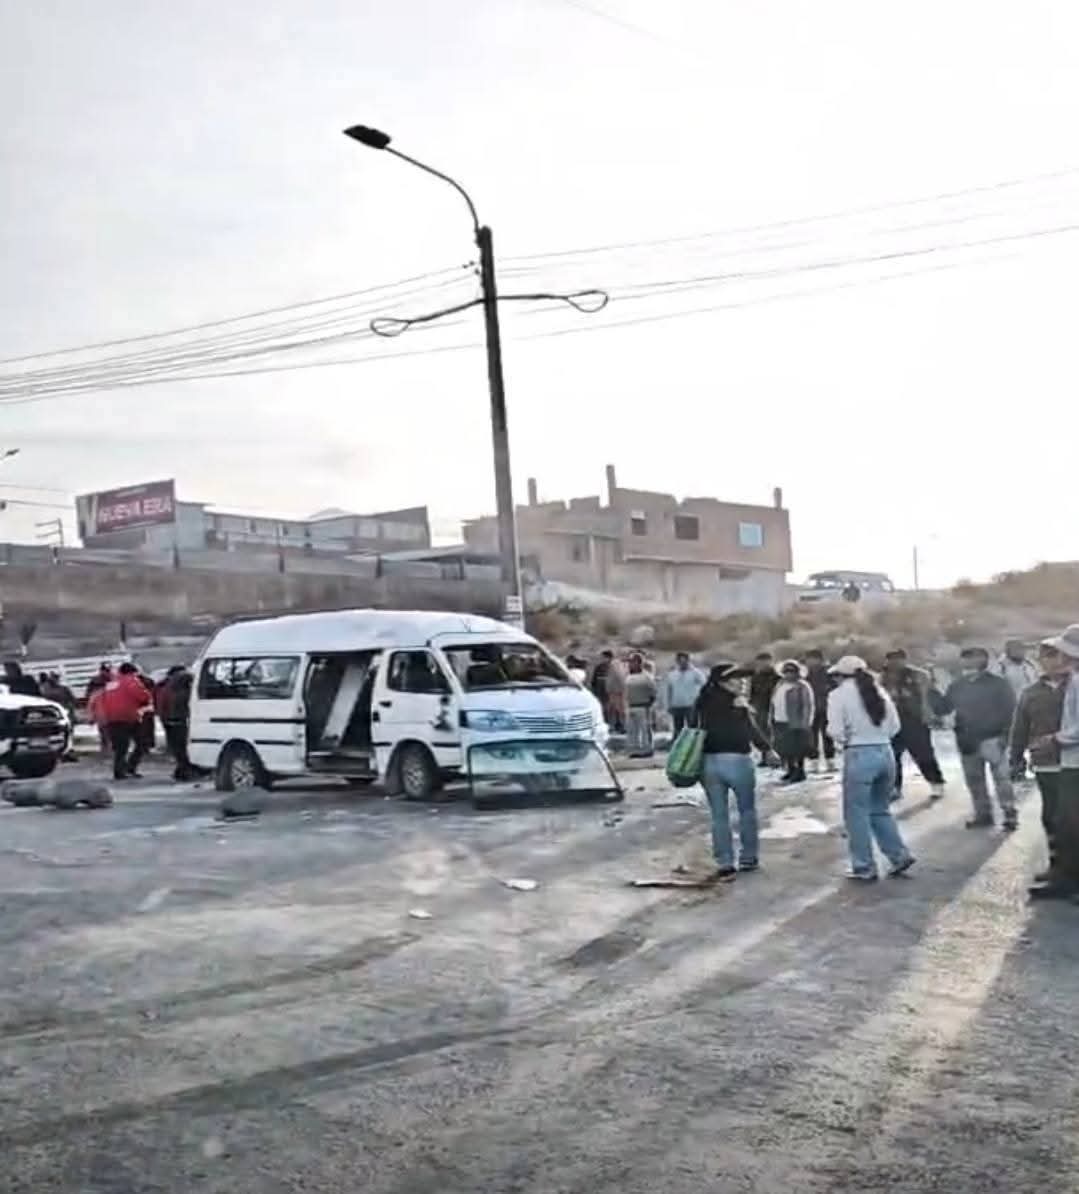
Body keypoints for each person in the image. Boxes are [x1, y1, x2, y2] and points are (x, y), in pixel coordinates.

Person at [827, 655, 914, 881]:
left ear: (840, 675)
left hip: (859, 753)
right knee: (880, 809)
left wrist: (846, 739)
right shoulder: (880, 692)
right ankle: (899, 855)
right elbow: (895, 727)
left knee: (856, 814)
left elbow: (835, 730)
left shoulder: (838, 695)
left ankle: (863, 865)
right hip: (885, 752)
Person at [693, 663, 772, 880]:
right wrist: (768, 749)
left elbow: (692, 728)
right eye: (736, 679)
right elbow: (751, 730)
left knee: (719, 815)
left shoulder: (701, 702)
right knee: (746, 811)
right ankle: (748, 857)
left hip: (708, 762)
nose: (742, 683)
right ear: (723, 682)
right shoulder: (738, 702)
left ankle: (725, 861)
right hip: (737, 760)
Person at [1010, 642, 1069, 898]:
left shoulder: (1074, 685)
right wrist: (1015, 758)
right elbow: (1020, 726)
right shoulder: (1031, 692)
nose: (1051, 660)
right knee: (1051, 818)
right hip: (1046, 762)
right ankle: (1058, 867)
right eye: (1046, 656)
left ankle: (1067, 874)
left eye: (1056, 655)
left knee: (1070, 822)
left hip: (1072, 762)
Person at [941, 647, 1017, 830]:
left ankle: (1009, 814)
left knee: (1002, 780)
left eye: (972, 658)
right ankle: (983, 815)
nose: (968, 662)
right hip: (967, 740)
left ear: (983, 660)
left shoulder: (998, 684)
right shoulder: (957, 685)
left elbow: (1011, 711)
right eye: (965, 658)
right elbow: (944, 708)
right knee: (975, 781)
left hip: (992, 738)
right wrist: (929, 692)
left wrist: (1006, 737)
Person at [1031, 626, 1079, 900]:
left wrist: (1054, 739)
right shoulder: (1073, 678)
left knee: (1070, 824)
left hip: (1075, 760)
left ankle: (1068, 881)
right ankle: (1064, 876)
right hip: (1070, 760)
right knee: (1066, 823)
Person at [882, 649, 945, 801]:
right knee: (892, 757)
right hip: (893, 722)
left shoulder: (919, 675)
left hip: (915, 720)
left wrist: (934, 715)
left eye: (898, 659)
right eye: (891, 660)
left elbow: (931, 695)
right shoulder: (883, 678)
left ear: (905, 659)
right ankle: (894, 787)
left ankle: (936, 782)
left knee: (923, 754)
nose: (895, 663)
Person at [98, 662, 153, 780]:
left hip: (112, 718)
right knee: (141, 743)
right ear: (132, 672)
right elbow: (144, 697)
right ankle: (130, 767)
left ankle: (119, 772)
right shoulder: (132, 681)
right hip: (130, 717)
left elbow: (103, 700)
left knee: (120, 748)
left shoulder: (110, 684)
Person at [771, 660, 815, 783]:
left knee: (798, 748)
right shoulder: (780, 684)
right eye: (786, 671)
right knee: (785, 748)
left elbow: (807, 705)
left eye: (791, 671)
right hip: (780, 720)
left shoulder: (802, 686)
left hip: (795, 721)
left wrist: (805, 722)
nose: (788, 674)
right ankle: (790, 770)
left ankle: (800, 771)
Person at [159, 666, 195, 781]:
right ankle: (185, 771)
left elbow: (161, 703)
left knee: (178, 747)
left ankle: (181, 770)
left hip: (169, 720)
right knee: (182, 746)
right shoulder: (185, 688)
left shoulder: (165, 686)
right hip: (180, 719)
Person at [803, 649, 836, 772]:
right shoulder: (807, 676)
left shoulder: (828, 674)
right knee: (812, 737)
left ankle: (830, 761)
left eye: (812, 659)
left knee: (828, 736)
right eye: (808, 659)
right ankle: (814, 762)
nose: (810, 662)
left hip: (827, 708)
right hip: (812, 710)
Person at [664, 652, 706, 740]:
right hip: (676, 705)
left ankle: (692, 746)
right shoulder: (672, 674)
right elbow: (668, 690)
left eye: (684, 660)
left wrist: (701, 702)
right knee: (678, 728)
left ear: (688, 660)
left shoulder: (695, 673)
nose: (682, 663)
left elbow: (704, 686)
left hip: (691, 705)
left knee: (692, 728)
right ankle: (677, 747)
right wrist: (668, 705)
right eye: (680, 661)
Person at [749, 653, 780, 764]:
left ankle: (776, 756)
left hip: (773, 707)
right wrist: (751, 704)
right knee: (762, 732)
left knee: (774, 733)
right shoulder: (756, 677)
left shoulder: (777, 677)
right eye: (760, 662)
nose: (762, 664)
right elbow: (752, 692)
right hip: (759, 707)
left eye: (765, 662)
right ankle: (765, 756)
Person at [624, 652, 657, 757]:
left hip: (643, 706)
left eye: (633, 662)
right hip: (631, 706)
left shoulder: (647, 677)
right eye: (630, 662)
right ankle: (634, 750)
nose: (630, 664)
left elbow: (653, 692)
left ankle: (647, 749)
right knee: (632, 730)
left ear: (639, 663)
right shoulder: (628, 677)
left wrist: (649, 704)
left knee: (644, 730)